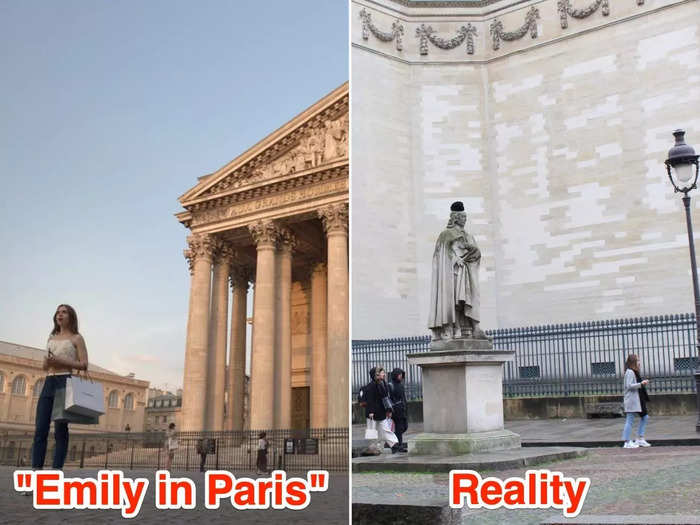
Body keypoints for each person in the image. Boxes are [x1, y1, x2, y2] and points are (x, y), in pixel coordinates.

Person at [31, 304, 89, 470]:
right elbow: (44, 367)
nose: (60, 314)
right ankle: (36, 473)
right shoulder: (51, 337)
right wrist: (47, 362)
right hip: (49, 381)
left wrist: (60, 361)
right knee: (40, 429)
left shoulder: (77, 338)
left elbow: (84, 365)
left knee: (60, 431)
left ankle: (56, 473)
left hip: (65, 382)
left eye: (64, 312)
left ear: (71, 316)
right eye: (58, 311)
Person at [428, 201, 488, 341]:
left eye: (466, 218)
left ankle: (474, 328)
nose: (465, 220)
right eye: (462, 217)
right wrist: (455, 260)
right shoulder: (446, 235)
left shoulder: (469, 236)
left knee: (469, 298)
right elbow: (441, 256)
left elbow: (476, 253)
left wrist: (473, 253)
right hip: (453, 272)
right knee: (454, 300)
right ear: (455, 218)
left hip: (467, 272)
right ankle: (455, 328)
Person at [361, 366, 398, 452]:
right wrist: (371, 411)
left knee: (384, 430)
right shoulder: (371, 386)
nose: (384, 374)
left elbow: (385, 398)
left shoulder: (382, 384)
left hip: (380, 412)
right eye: (381, 373)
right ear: (375, 375)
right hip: (373, 413)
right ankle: (375, 448)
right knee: (373, 432)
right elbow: (370, 400)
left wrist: (388, 410)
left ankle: (394, 445)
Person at [622, 354, 651, 449]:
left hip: (639, 399)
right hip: (632, 400)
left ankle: (640, 438)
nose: (639, 362)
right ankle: (627, 442)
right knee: (629, 420)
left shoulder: (635, 371)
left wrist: (641, 384)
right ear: (633, 362)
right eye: (637, 360)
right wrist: (641, 384)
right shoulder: (630, 372)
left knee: (645, 417)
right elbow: (629, 385)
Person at [389, 368, 408, 453]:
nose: (401, 376)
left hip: (402, 409)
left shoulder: (400, 384)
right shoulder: (390, 385)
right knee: (399, 428)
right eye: (399, 374)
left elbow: (403, 397)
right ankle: (398, 445)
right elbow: (388, 398)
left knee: (404, 427)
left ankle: (396, 444)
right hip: (395, 410)